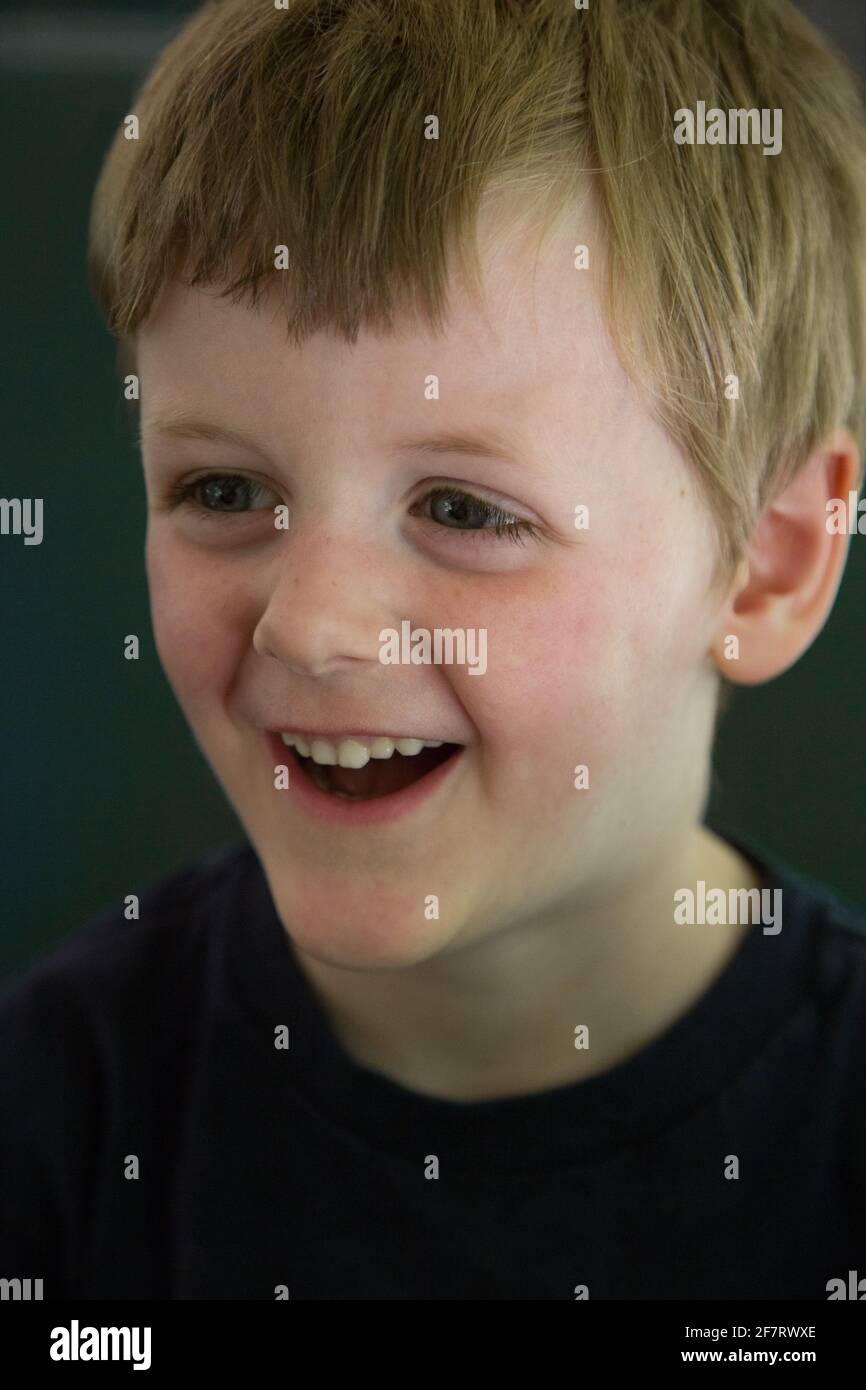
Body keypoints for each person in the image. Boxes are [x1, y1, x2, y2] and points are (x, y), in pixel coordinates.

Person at [2, 0, 865, 1300]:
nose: (308, 624)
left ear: (769, 561)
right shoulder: (57, 1111)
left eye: (464, 511)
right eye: (223, 493)